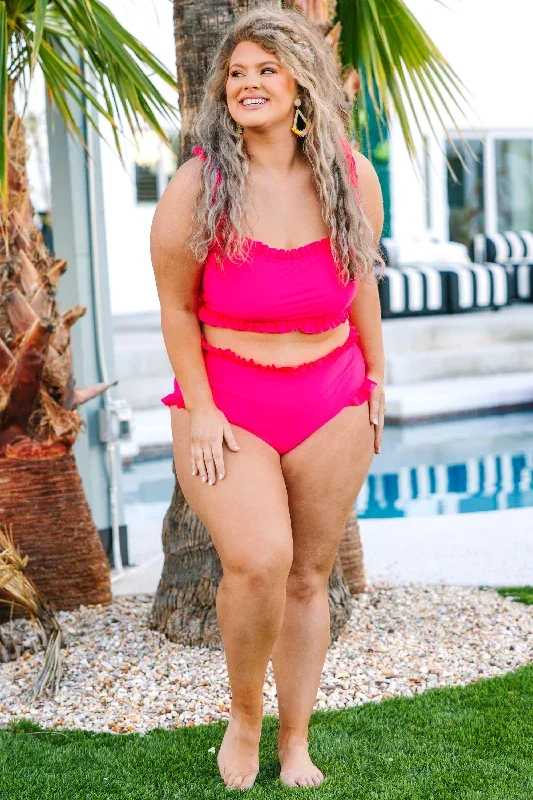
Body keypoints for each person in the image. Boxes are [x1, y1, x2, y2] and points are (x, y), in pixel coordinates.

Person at [150, 6, 386, 791]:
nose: (248, 83)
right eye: (236, 72)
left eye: (265, 70)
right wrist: (204, 408)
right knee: (257, 560)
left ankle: (295, 740)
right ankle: (244, 721)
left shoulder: (350, 175)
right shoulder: (198, 183)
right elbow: (178, 309)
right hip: (229, 398)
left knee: (308, 575)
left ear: (298, 85)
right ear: (224, 91)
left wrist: (375, 382)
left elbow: (361, 287)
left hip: (331, 393)